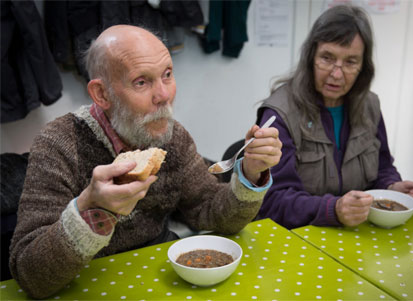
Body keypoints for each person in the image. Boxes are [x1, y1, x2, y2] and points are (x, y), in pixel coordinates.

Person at [9, 25, 282, 299]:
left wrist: (249, 173)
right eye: (141, 82)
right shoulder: (58, 144)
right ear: (101, 94)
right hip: (86, 283)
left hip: (161, 274)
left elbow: (211, 210)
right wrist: (90, 211)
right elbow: (31, 277)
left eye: (167, 75)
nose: (164, 95)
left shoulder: (173, 137)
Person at [256, 5, 413, 229]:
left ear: (363, 67)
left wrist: (392, 187)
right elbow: (271, 202)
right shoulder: (279, 114)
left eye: (350, 62)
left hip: (356, 235)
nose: (337, 74)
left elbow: (383, 167)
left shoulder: (370, 105)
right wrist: (333, 210)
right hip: (296, 239)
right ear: (310, 58)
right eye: (327, 58)